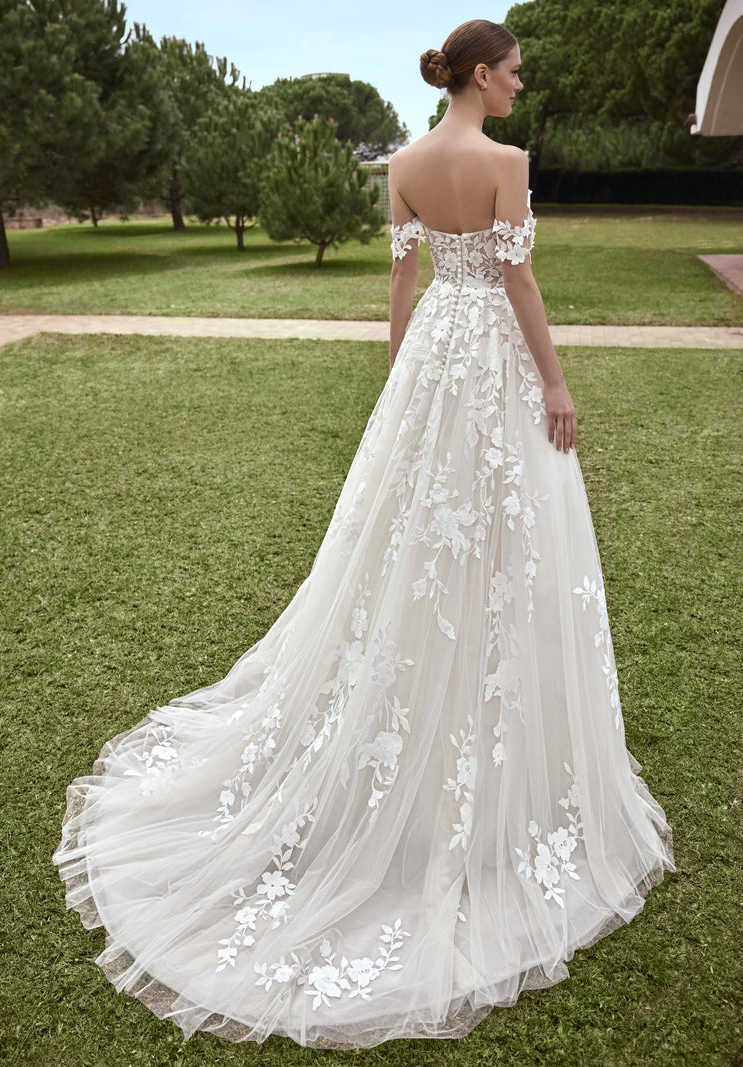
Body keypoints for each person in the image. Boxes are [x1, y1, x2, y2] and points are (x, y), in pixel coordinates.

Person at [52, 18, 676, 1051]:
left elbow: (402, 281)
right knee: (497, 547)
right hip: (488, 364)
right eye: (515, 70)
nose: (522, 85)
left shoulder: (400, 163)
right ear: (483, 73)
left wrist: (400, 389)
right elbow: (517, 281)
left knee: (417, 548)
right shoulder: (504, 162)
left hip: (435, 355)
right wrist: (556, 383)